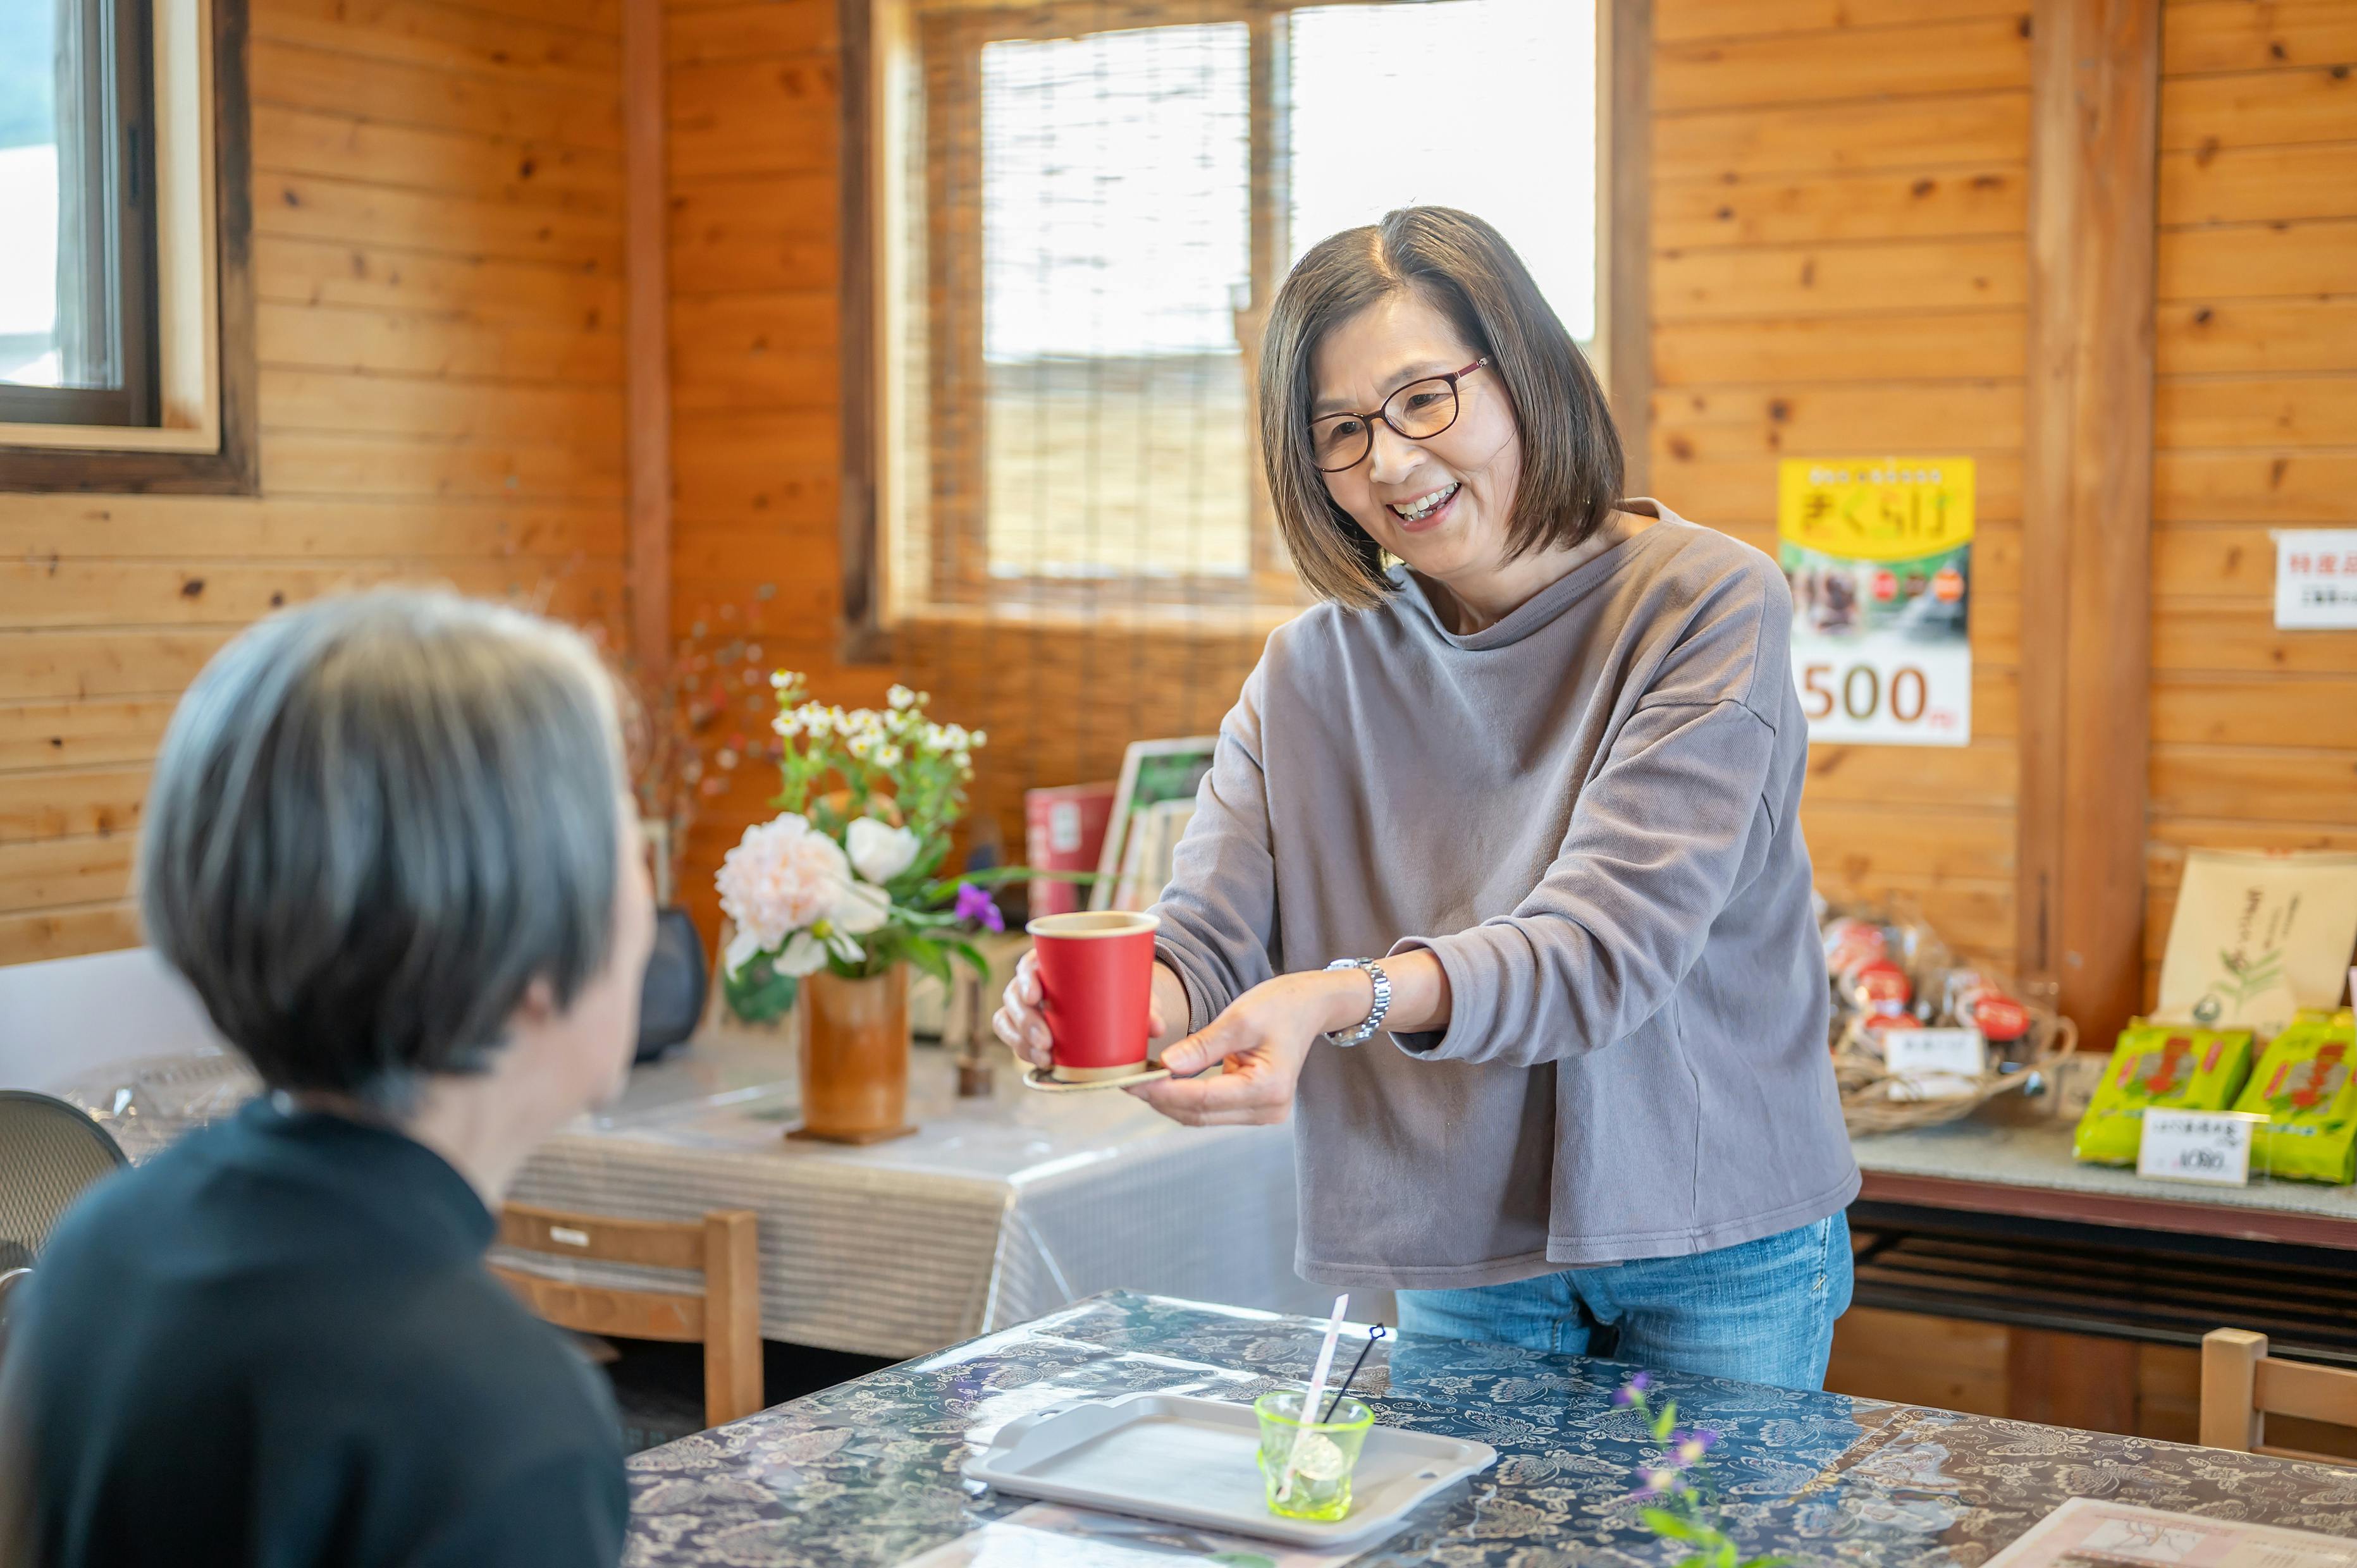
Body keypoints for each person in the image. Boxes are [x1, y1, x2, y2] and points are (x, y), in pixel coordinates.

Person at [997, 207, 1859, 1390]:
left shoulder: (1706, 604)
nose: (1392, 462)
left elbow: (1604, 950)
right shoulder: (1312, 671)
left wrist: (1341, 998)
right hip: (1458, 1252)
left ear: (1524, 370)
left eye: (1422, 400)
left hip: (1718, 1238)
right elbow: (1206, 939)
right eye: (1340, 430)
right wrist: (1119, 1012)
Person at [0, 591, 656, 1567]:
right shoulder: (496, 1419)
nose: (651, 888)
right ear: (530, 956)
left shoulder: (99, 1248)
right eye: (630, 845)